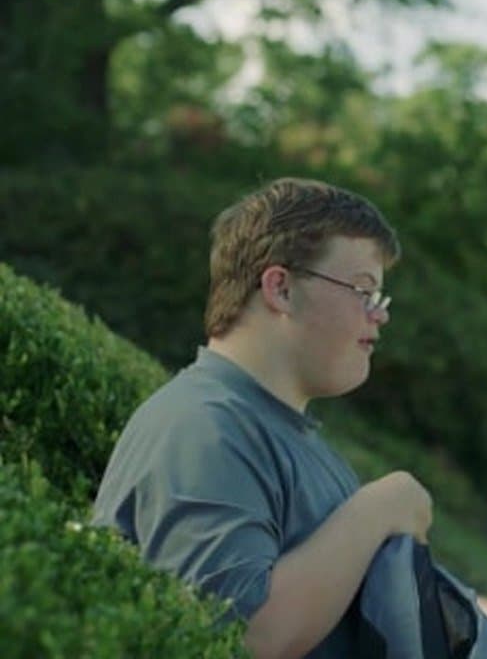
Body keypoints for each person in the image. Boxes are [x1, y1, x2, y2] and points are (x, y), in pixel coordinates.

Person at [92, 178, 435, 658]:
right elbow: (239, 635)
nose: (379, 316)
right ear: (281, 288)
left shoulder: (277, 433)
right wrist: (379, 508)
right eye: (363, 290)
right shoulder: (203, 427)